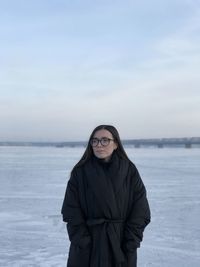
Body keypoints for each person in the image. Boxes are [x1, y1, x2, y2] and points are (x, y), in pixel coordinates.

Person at [61, 125, 151, 267]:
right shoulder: (80, 172)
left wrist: (130, 242)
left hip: (121, 246)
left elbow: (141, 210)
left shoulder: (129, 171)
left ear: (115, 144)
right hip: (87, 248)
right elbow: (70, 211)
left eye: (104, 140)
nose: (99, 145)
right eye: (95, 141)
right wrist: (83, 241)